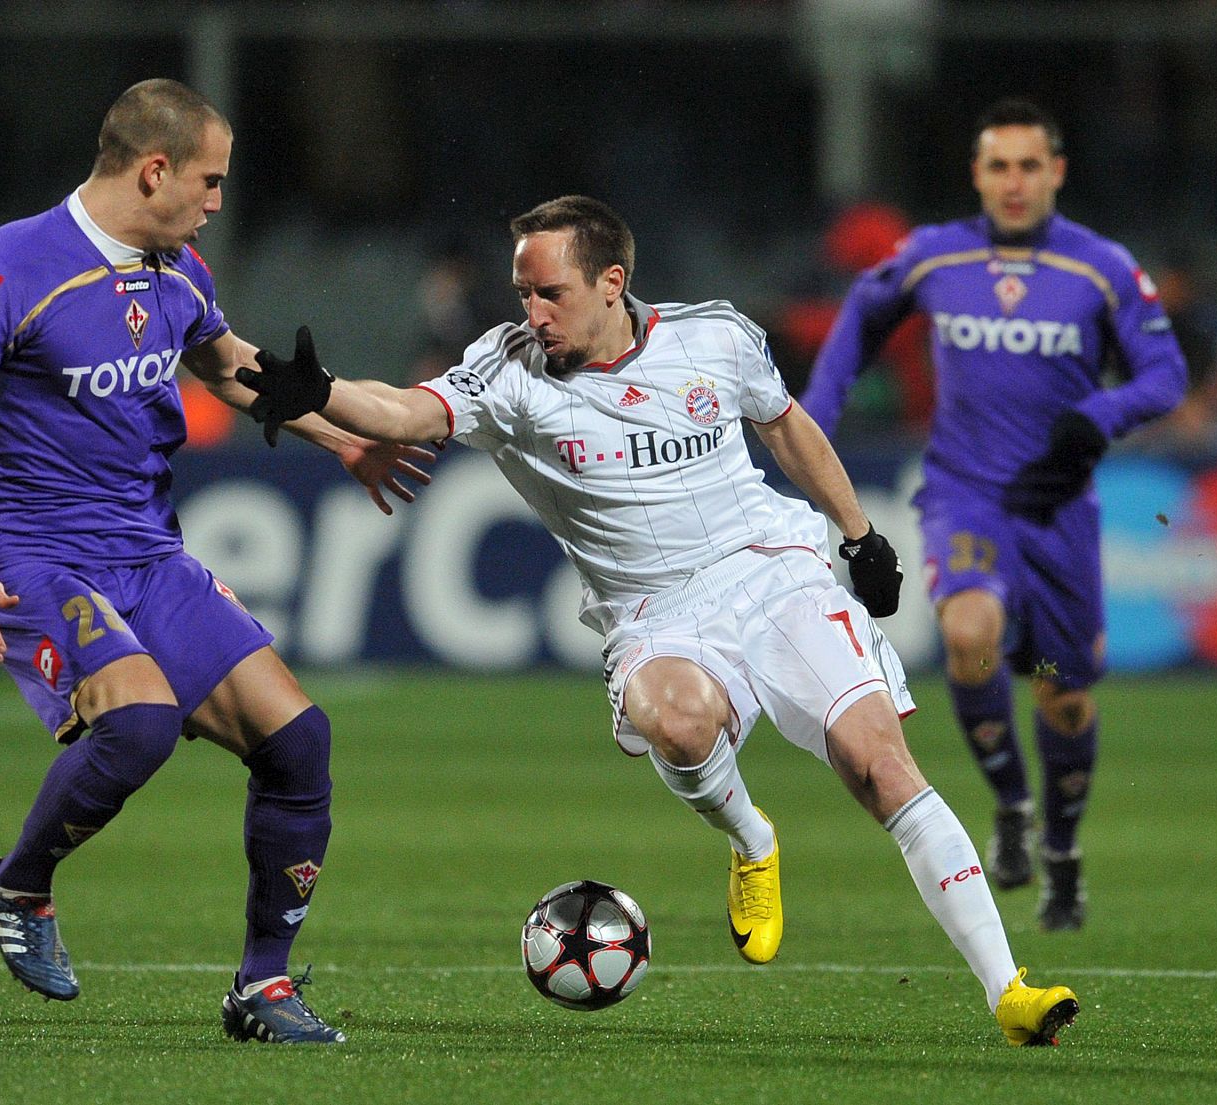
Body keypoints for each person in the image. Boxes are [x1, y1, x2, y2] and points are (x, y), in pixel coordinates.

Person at [234, 194, 1079, 1046]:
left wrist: (859, 534)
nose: (531, 312)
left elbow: (784, 426)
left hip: (771, 569)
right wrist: (328, 393)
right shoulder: (511, 370)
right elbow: (407, 411)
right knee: (677, 721)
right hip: (651, 611)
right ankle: (753, 841)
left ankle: (1009, 991)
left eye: (548, 293)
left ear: (612, 283)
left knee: (880, 763)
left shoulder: (715, 336)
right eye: (521, 292)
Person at [0, 78, 433, 1044]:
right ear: (154, 170)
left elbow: (224, 364)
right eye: (209, 180)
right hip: (33, 553)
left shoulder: (178, 268)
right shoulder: (4, 269)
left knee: (300, 744)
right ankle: (19, 885)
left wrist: (340, 438)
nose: (217, 202)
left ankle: (262, 990)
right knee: (136, 721)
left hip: (145, 549)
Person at [801, 99, 1187, 931]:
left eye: (1029, 165)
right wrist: (813, 419)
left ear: (1057, 172)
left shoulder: (1102, 268)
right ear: (978, 175)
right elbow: (861, 319)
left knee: (1058, 691)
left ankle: (1061, 845)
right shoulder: (937, 254)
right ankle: (1011, 801)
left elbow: (1165, 374)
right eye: (998, 166)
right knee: (971, 635)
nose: (1014, 182)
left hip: (1056, 511)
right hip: (964, 495)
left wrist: (1098, 418)